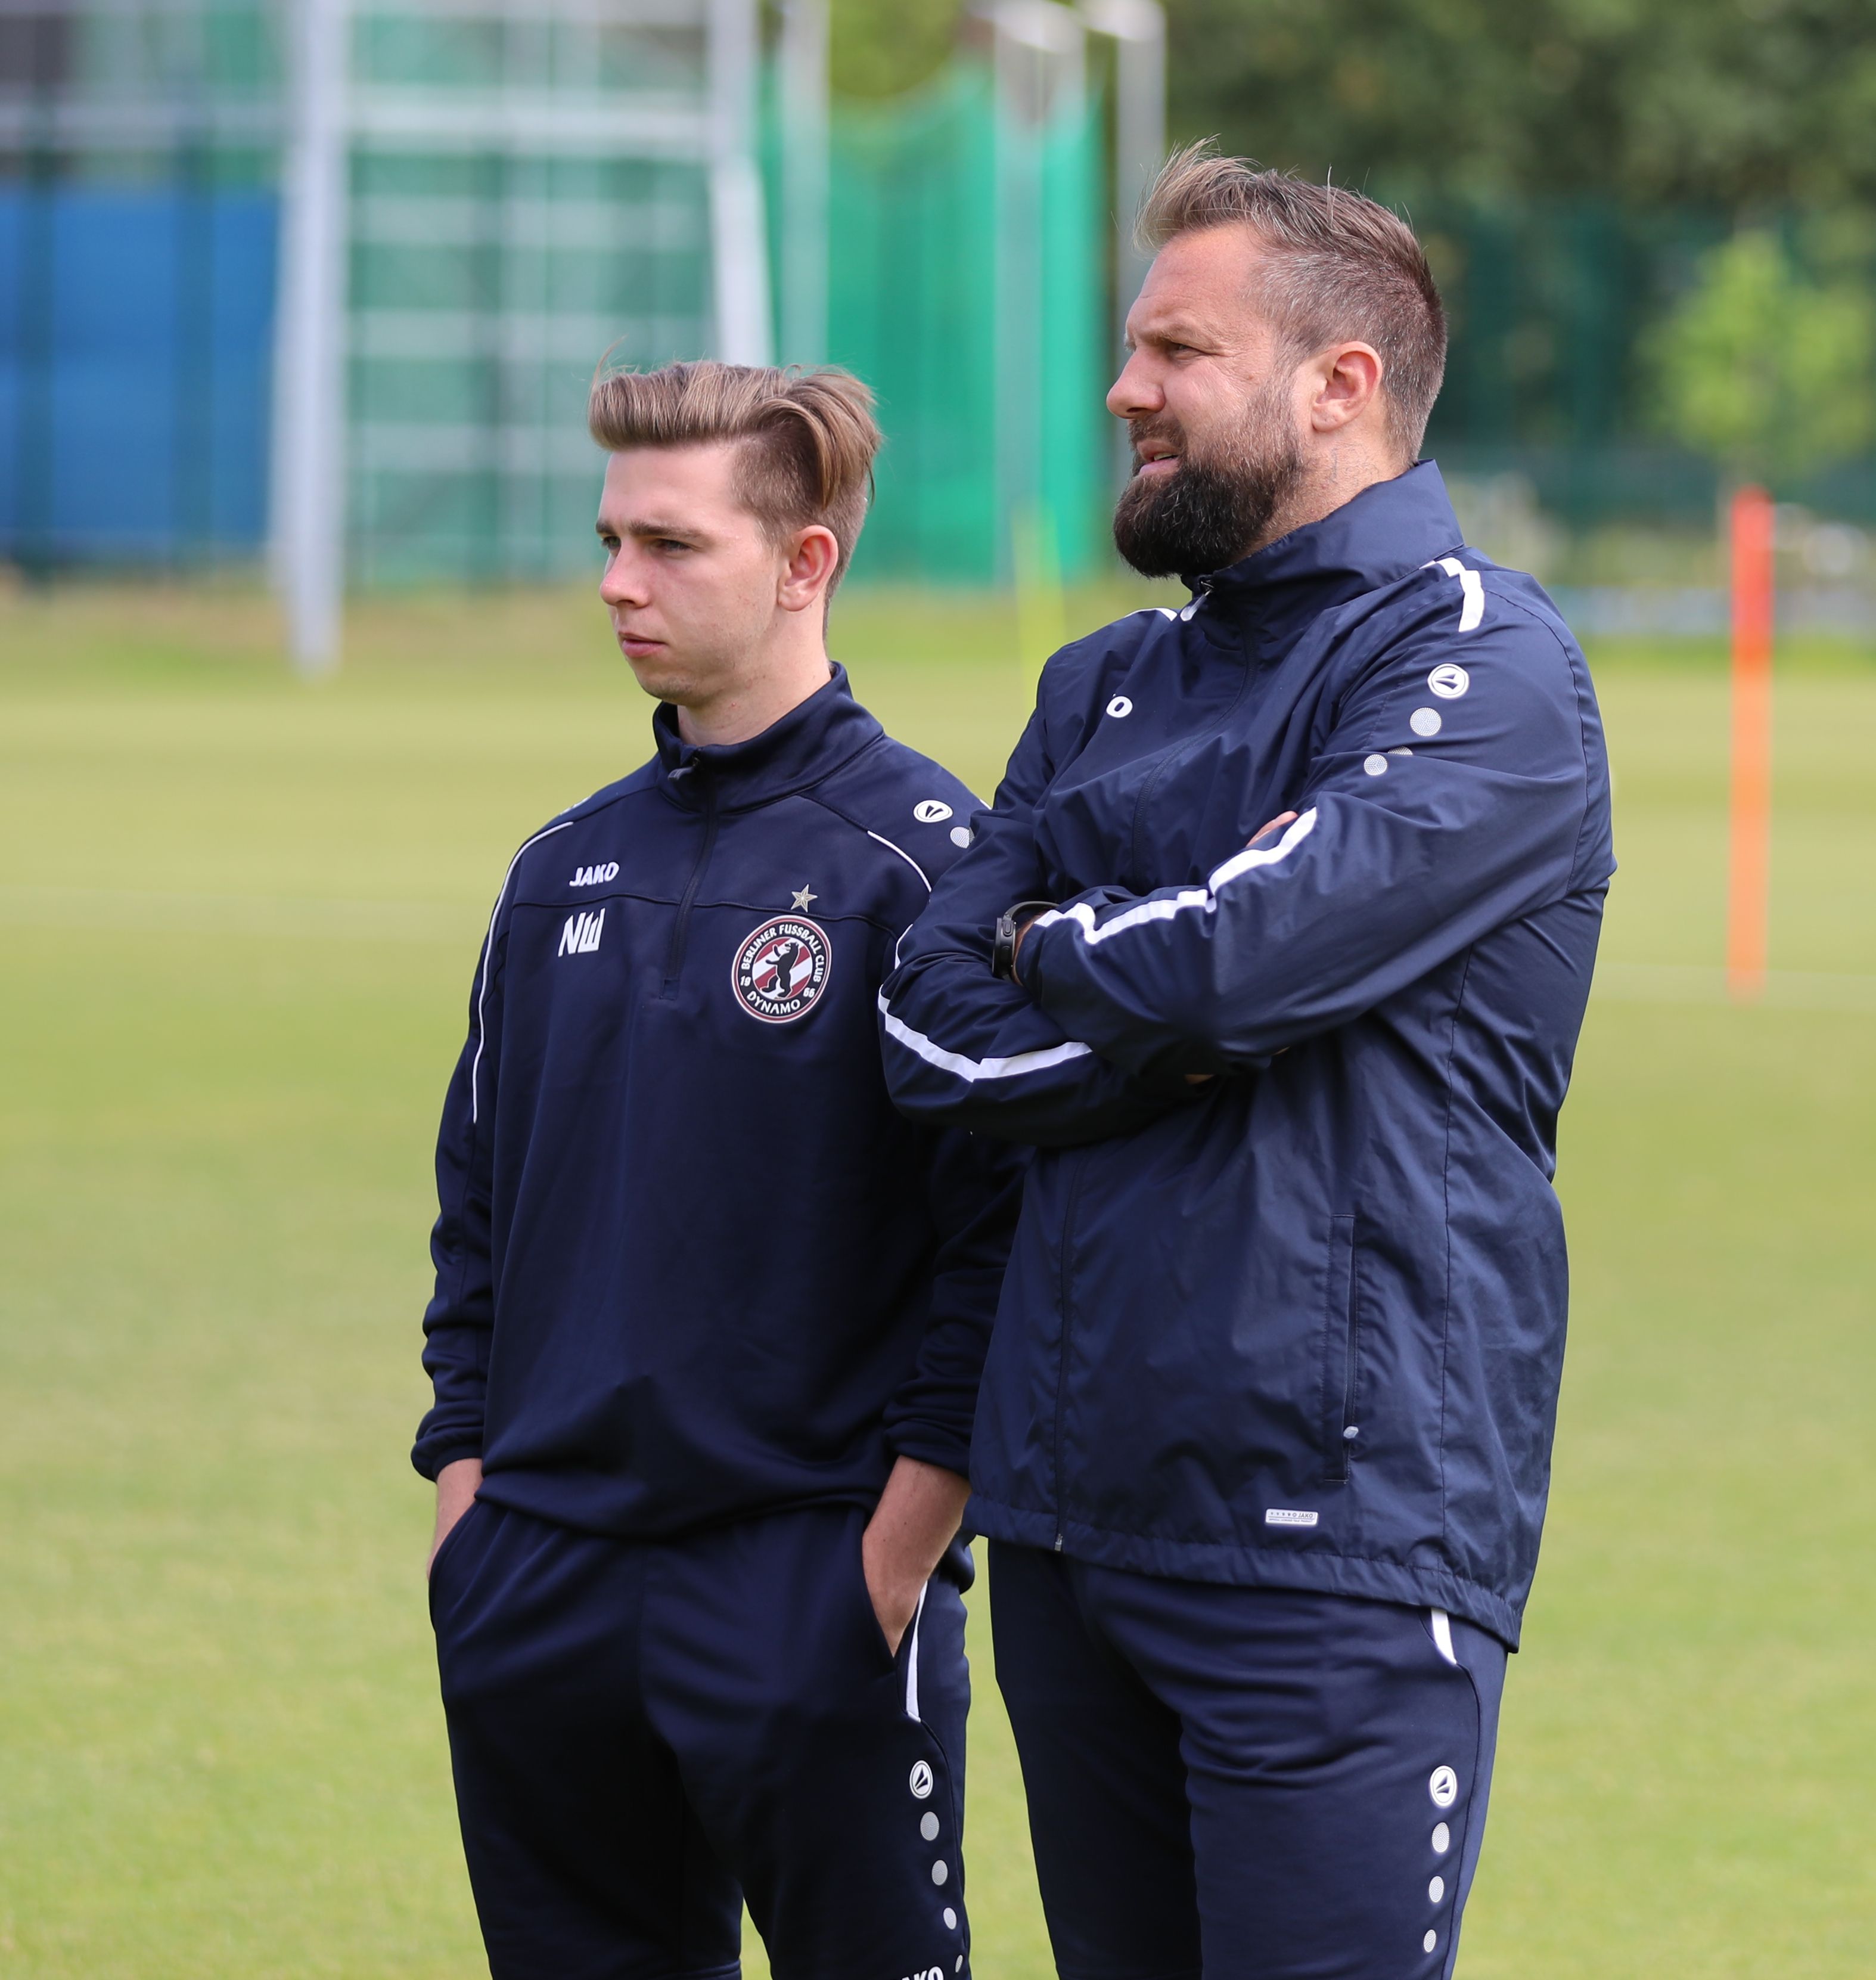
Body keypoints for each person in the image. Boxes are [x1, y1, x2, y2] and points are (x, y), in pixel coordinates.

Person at [880, 148, 1614, 1980]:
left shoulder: (1480, 662)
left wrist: (1059, 946)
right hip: (1062, 1519)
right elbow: (920, 1028)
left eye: (1173, 350)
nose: (1123, 389)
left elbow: (1233, 961)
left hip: (1331, 1539)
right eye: (1132, 351)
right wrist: (1182, 1015)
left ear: (1336, 384)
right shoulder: (1102, 684)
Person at [414, 360, 1021, 1980]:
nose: (619, 582)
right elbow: (476, 1203)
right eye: (611, 536)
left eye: (671, 544)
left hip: (801, 1581)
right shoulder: (557, 868)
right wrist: (468, 1499)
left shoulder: (926, 869)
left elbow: (1000, 1242)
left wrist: (888, 1562)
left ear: (804, 561)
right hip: (537, 1580)